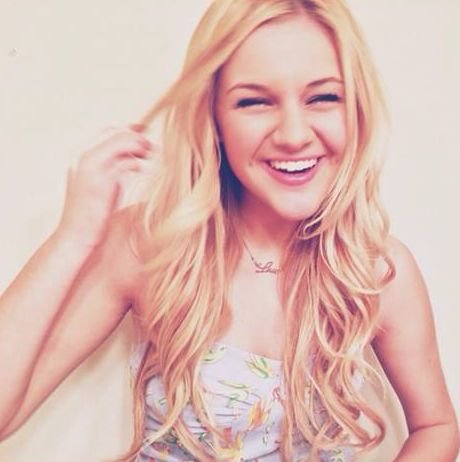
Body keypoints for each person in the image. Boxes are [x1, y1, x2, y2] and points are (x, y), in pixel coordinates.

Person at [0, 0, 458, 461]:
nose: (294, 134)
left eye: (322, 98)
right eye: (254, 102)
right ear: (214, 118)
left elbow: (437, 427)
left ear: (356, 109)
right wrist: (74, 237)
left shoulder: (378, 272)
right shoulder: (148, 246)